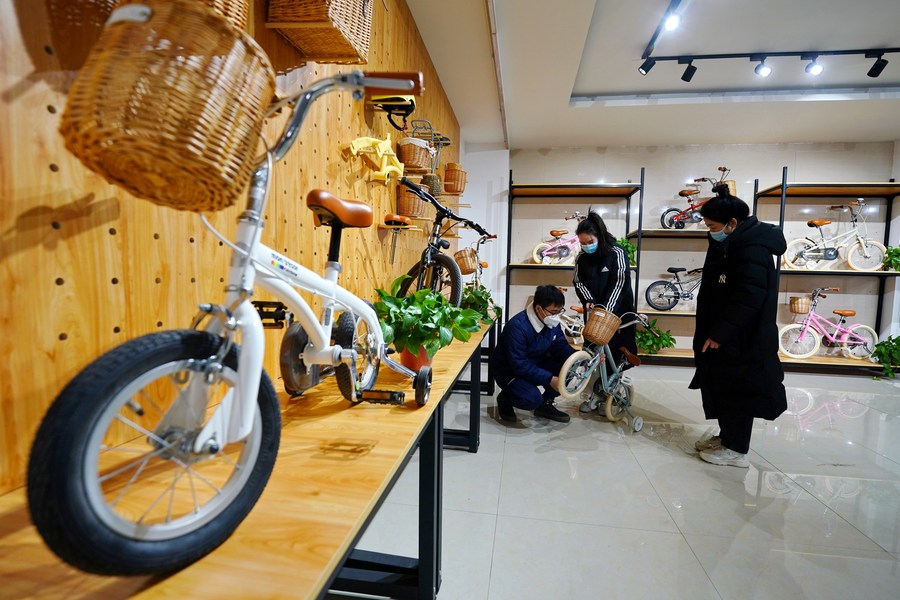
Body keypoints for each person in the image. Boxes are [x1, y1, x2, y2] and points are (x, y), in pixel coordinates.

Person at [690, 194, 788, 468]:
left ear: (732, 223)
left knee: (739, 391)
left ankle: (736, 449)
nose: (711, 232)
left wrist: (720, 333)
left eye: (712, 227)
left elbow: (749, 298)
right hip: (727, 333)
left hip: (742, 338)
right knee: (723, 386)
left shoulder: (752, 249)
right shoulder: (731, 243)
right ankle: (726, 437)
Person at [572, 212, 637, 413]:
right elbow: (578, 281)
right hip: (595, 315)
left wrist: (606, 310)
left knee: (615, 354)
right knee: (593, 353)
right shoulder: (582, 258)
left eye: (590, 242)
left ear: (599, 236)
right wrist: (589, 301)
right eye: (583, 243)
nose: (586, 246)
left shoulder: (616, 252)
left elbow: (620, 283)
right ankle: (593, 395)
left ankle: (611, 395)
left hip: (618, 313)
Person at [492, 285, 576, 423]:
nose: (557, 316)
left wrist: (583, 358)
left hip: (535, 362)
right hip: (509, 371)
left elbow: (561, 348)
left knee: (569, 368)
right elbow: (519, 365)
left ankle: (545, 404)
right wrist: (550, 379)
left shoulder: (551, 322)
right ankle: (505, 398)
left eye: (560, 311)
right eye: (553, 312)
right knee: (531, 399)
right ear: (538, 308)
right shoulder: (517, 326)